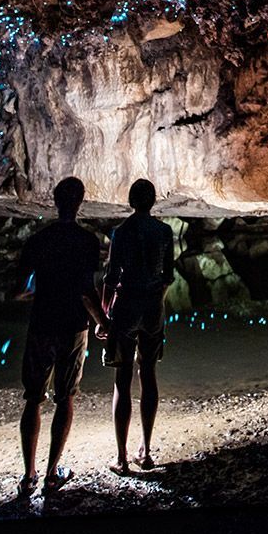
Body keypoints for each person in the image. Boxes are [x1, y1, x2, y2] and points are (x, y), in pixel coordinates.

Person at [13, 176, 105, 498]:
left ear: (55, 201)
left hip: (42, 324)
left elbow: (20, 290)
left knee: (33, 399)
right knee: (66, 397)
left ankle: (28, 477)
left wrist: (40, 291)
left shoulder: (38, 241)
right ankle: (53, 474)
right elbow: (86, 289)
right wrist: (102, 320)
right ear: (80, 202)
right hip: (73, 327)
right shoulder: (87, 242)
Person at [103, 177, 175, 472]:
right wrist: (157, 297)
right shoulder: (165, 231)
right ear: (153, 201)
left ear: (131, 201)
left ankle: (121, 458)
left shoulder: (121, 232)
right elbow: (168, 275)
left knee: (122, 378)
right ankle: (145, 451)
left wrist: (106, 314)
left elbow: (110, 276)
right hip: (152, 305)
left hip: (128, 304)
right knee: (149, 373)